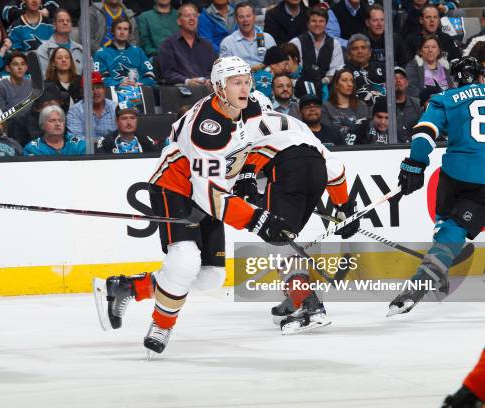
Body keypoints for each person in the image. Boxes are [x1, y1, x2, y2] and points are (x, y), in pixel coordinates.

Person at [93, 57, 295, 355]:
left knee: (211, 276)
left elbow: (254, 147)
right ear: (218, 87)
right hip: (176, 185)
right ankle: (161, 325)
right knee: (185, 259)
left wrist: (250, 175)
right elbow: (208, 197)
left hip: (211, 189)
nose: (244, 87)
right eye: (236, 82)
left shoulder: (251, 108)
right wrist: (257, 219)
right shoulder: (206, 128)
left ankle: (127, 288)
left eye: (246, 81)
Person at [235, 101, 359, 334]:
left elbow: (240, 172)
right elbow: (335, 168)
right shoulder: (296, 124)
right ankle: (295, 299)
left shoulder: (245, 122)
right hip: (316, 170)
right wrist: (344, 207)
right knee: (287, 235)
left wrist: (248, 189)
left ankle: (309, 304)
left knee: (278, 239)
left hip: (285, 168)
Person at [388, 56, 484, 316]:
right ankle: (433, 271)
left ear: (454, 77)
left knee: (447, 224)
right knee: (454, 226)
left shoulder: (446, 98)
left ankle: (430, 273)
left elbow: (424, 133)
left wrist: (414, 165)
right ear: (480, 76)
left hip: (456, 174)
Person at [158, 3, 216, 86]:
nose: (192, 18)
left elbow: (214, 70)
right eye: (187, 16)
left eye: (195, 16)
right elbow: (167, 73)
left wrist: (208, 80)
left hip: (206, 90)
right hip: (181, 92)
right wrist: (187, 81)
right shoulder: (168, 45)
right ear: (179, 21)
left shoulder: (207, 45)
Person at [288, 7, 344, 92]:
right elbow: (292, 70)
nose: (317, 24)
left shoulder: (335, 44)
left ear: (326, 24)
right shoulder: (296, 42)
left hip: (327, 89)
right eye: (314, 21)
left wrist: (323, 82)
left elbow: (336, 70)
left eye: (321, 21)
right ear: (307, 24)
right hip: (300, 89)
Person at [93, 17, 156, 87]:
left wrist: (140, 83)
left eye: (125, 29)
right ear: (113, 31)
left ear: (129, 33)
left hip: (138, 90)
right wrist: (118, 84)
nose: (122, 32)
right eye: (119, 28)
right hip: (113, 93)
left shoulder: (138, 51)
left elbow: (149, 74)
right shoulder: (101, 53)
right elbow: (101, 78)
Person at [219, 2, 275, 70]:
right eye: (241, 17)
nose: (245, 20)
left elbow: (276, 63)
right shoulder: (227, 43)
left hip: (266, 77)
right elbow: (226, 69)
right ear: (236, 20)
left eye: (248, 16)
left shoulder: (268, 38)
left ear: (254, 17)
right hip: (240, 78)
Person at [320, 68, 369, 145]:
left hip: (360, 149)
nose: (349, 84)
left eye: (351, 81)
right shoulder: (326, 107)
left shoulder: (362, 106)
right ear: (336, 85)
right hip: (337, 149)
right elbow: (327, 134)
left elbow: (367, 132)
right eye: (344, 80)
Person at [66, 71, 117, 144]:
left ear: (104, 89)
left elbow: (120, 135)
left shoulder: (114, 107)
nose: (95, 92)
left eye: (98, 87)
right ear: (83, 92)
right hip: (86, 153)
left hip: (111, 151)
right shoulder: (75, 111)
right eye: (90, 88)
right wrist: (101, 141)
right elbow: (75, 138)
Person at [36, 8, 84, 76]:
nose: (65, 23)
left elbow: (90, 75)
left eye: (68, 21)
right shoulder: (43, 50)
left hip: (78, 86)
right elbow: (43, 78)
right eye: (61, 21)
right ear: (54, 25)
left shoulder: (81, 50)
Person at [405, 34, 453, 98]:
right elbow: (412, 90)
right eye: (426, 47)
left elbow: (454, 90)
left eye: (434, 47)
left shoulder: (447, 68)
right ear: (420, 51)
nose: (430, 50)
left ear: (439, 51)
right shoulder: (412, 67)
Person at [344, 33, 385, 106]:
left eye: (363, 48)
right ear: (348, 55)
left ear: (370, 52)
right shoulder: (344, 72)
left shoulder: (383, 68)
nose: (360, 51)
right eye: (355, 49)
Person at [394, 66, 421, 143]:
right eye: (394, 78)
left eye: (401, 78)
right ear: (386, 83)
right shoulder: (381, 106)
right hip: (392, 150)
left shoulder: (417, 104)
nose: (398, 80)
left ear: (407, 83)